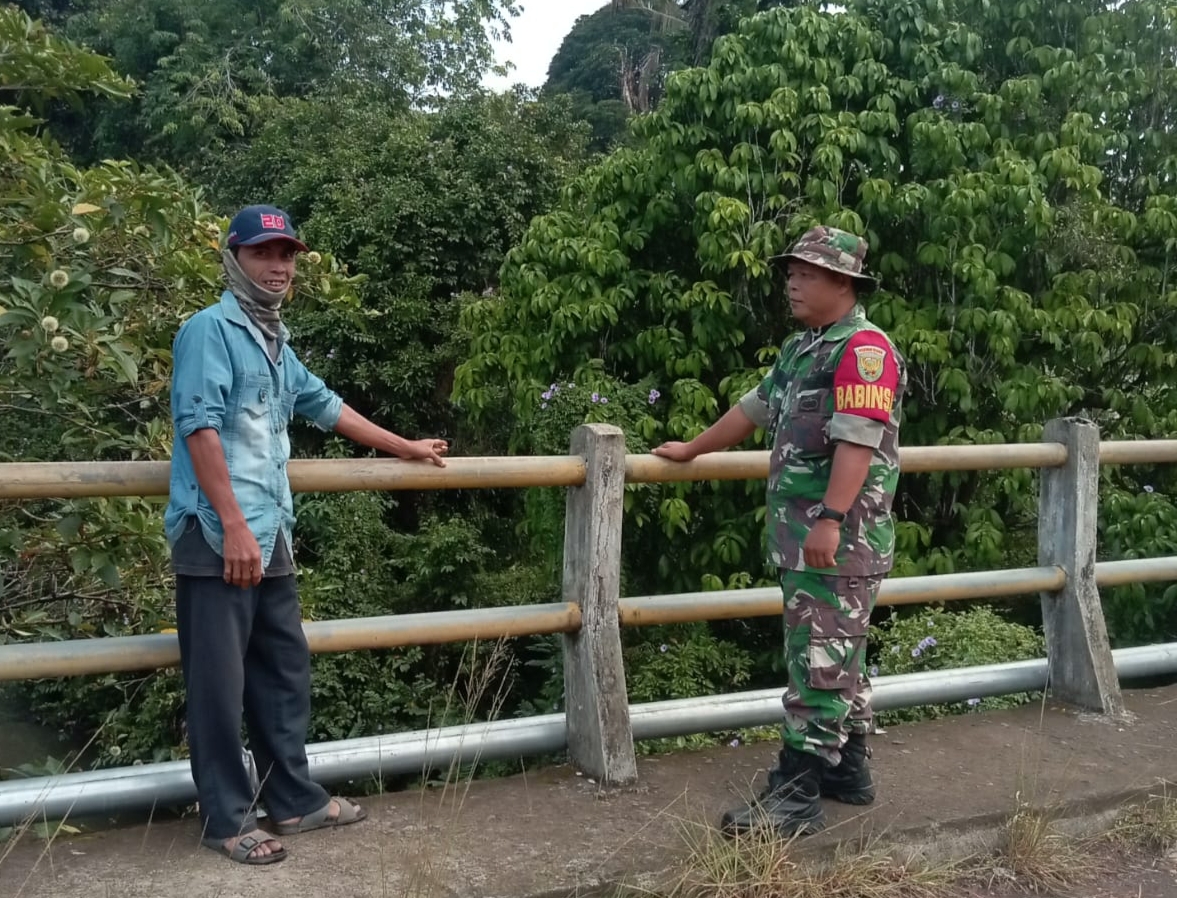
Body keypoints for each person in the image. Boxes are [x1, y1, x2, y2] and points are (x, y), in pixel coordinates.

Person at [165, 204, 449, 865]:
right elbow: (198, 428)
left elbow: (326, 405)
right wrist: (232, 526)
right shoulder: (208, 331)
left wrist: (404, 447)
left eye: (286, 254)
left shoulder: (274, 342)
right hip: (218, 533)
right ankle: (227, 820)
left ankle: (291, 799)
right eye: (263, 253)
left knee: (283, 672)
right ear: (234, 258)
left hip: (271, 531)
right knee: (218, 684)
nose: (278, 266)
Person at [653, 225, 906, 837]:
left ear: (843, 283)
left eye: (806, 274)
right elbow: (754, 409)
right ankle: (846, 770)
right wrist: (691, 449)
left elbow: (858, 443)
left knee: (819, 660)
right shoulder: (802, 348)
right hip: (806, 537)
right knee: (839, 653)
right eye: (791, 272)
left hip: (837, 539)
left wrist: (830, 519)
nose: (792, 283)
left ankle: (796, 796)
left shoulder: (862, 350)